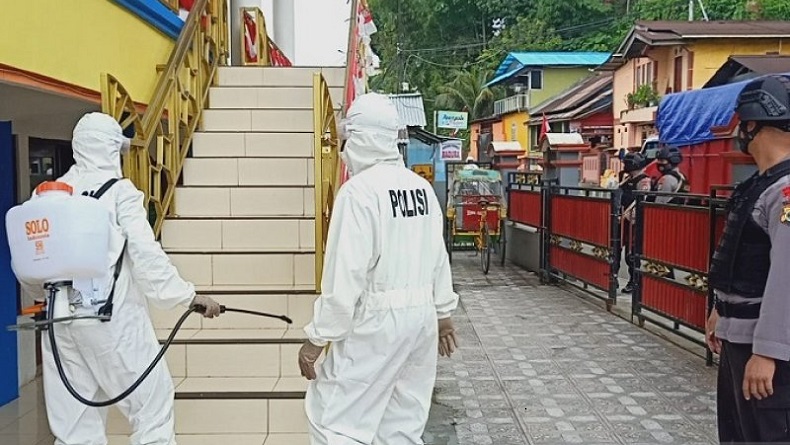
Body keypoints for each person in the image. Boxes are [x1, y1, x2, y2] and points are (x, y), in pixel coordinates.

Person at [17, 112, 221, 445]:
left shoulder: (45, 197)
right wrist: (187, 297)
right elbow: (146, 255)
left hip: (57, 322)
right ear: (112, 149)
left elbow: (29, 263)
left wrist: (43, 297)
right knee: (151, 408)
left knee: (74, 426)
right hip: (108, 321)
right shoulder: (118, 192)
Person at [297, 93, 460, 445]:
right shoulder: (421, 189)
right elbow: (437, 257)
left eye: (349, 137)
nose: (345, 147)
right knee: (400, 427)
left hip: (376, 323)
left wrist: (316, 338)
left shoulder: (358, 193)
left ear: (364, 139)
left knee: (335, 422)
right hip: (420, 322)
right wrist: (443, 312)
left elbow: (344, 282)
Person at [706, 74, 790, 443]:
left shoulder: (784, 191)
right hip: (739, 337)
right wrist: (720, 311)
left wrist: (768, 352)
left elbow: (786, 276)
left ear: (752, 123)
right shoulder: (760, 183)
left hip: (766, 348)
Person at [618, 152, 653, 294]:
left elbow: (640, 200)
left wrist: (627, 214)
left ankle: (635, 282)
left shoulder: (644, 180)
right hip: (622, 219)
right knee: (620, 250)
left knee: (632, 254)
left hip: (634, 221)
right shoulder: (627, 179)